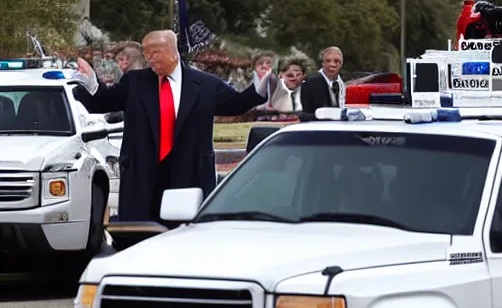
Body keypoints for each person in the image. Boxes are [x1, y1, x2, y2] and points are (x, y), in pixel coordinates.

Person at [74, 30, 270, 223]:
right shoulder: (134, 82)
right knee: (139, 240)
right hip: (142, 178)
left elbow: (237, 104)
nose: (150, 58)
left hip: (189, 177)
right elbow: (103, 103)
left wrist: (260, 84)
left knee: (185, 239)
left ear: (173, 51)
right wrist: (90, 82)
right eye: (146, 53)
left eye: (155, 52)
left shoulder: (206, 85)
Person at [299, 46, 346, 120]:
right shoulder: (310, 82)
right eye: (328, 61)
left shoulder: (340, 83)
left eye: (336, 61)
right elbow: (301, 112)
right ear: (322, 63)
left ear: (341, 63)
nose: (332, 64)